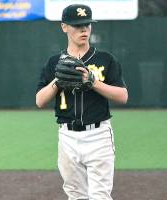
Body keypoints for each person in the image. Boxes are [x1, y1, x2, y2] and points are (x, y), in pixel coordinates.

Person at [36, 4, 128, 200]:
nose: (84, 29)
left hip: (99, 135)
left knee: (100, 196)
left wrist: (94, 82)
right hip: (67, 137)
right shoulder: (55, 63)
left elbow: (123, 96)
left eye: (87, 24)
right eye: (77, 25)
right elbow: (39, 100)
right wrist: (57, 81)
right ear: (64, 27)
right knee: (76, 196)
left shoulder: (105, 59)